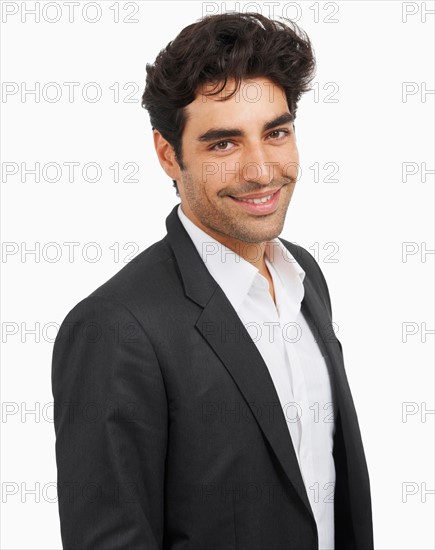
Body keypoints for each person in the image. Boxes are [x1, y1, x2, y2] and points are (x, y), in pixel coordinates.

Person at [52, 12, 373, 550]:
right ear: (167, 155)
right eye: (223, 144)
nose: (262, 170)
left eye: (277, 133)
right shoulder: (116, 329)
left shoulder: (304, 277)